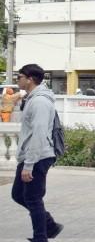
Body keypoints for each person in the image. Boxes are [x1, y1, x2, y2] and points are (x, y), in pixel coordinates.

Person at [12, 64, 64, 241]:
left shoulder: (40, 102)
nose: (17, 80)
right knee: (18, 195)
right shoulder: (33, 98)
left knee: (33, 198)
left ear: (30, 79)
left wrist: (29, 164)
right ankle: (50, 225)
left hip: (38, 157)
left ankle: (41, 237)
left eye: (19, 77)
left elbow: (39, 134)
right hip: (31, 155)